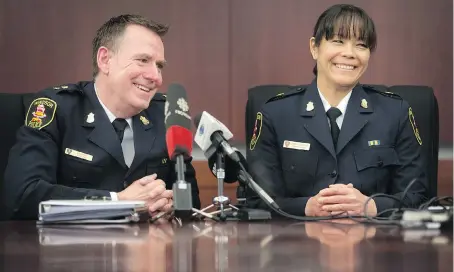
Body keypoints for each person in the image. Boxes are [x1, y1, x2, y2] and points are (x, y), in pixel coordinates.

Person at [3, 14, 200, 220]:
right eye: (143, 60)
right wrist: (117, 202)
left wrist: (171, 206)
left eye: (159, 66)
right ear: (105, 60)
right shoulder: (58, 109)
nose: (156, 77)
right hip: (71, 250)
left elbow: (192, 203)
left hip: (149, 248)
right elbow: (23, 194)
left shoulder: (164, 114)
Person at [247, 4, 428, 217]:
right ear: (314, 47)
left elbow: (419, 197)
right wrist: (307, 207)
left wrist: (371, 206)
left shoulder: (396, 113)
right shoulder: (276, 114)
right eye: (338, 41)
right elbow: (255, 201)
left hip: (376, 243)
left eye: (361, 45)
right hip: (296, 244)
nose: (349, 54)